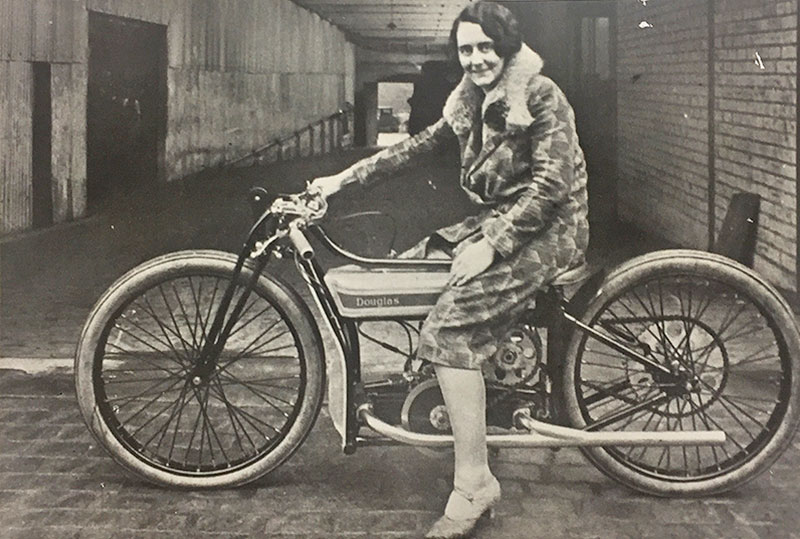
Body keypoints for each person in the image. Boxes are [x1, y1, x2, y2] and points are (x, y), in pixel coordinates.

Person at [310, 2, 589, 537]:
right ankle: (470, 399)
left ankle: (474, 483)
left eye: (487, 47)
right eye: (466, 49)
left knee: (449, 329)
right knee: (417, 265)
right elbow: (413, 149)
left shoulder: (539, 94)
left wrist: (494, 245)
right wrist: (340, 180)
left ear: (506, 47)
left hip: (549, 231)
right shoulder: (469, 101)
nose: (477, 58)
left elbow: (551, 189)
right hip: (500, 221)